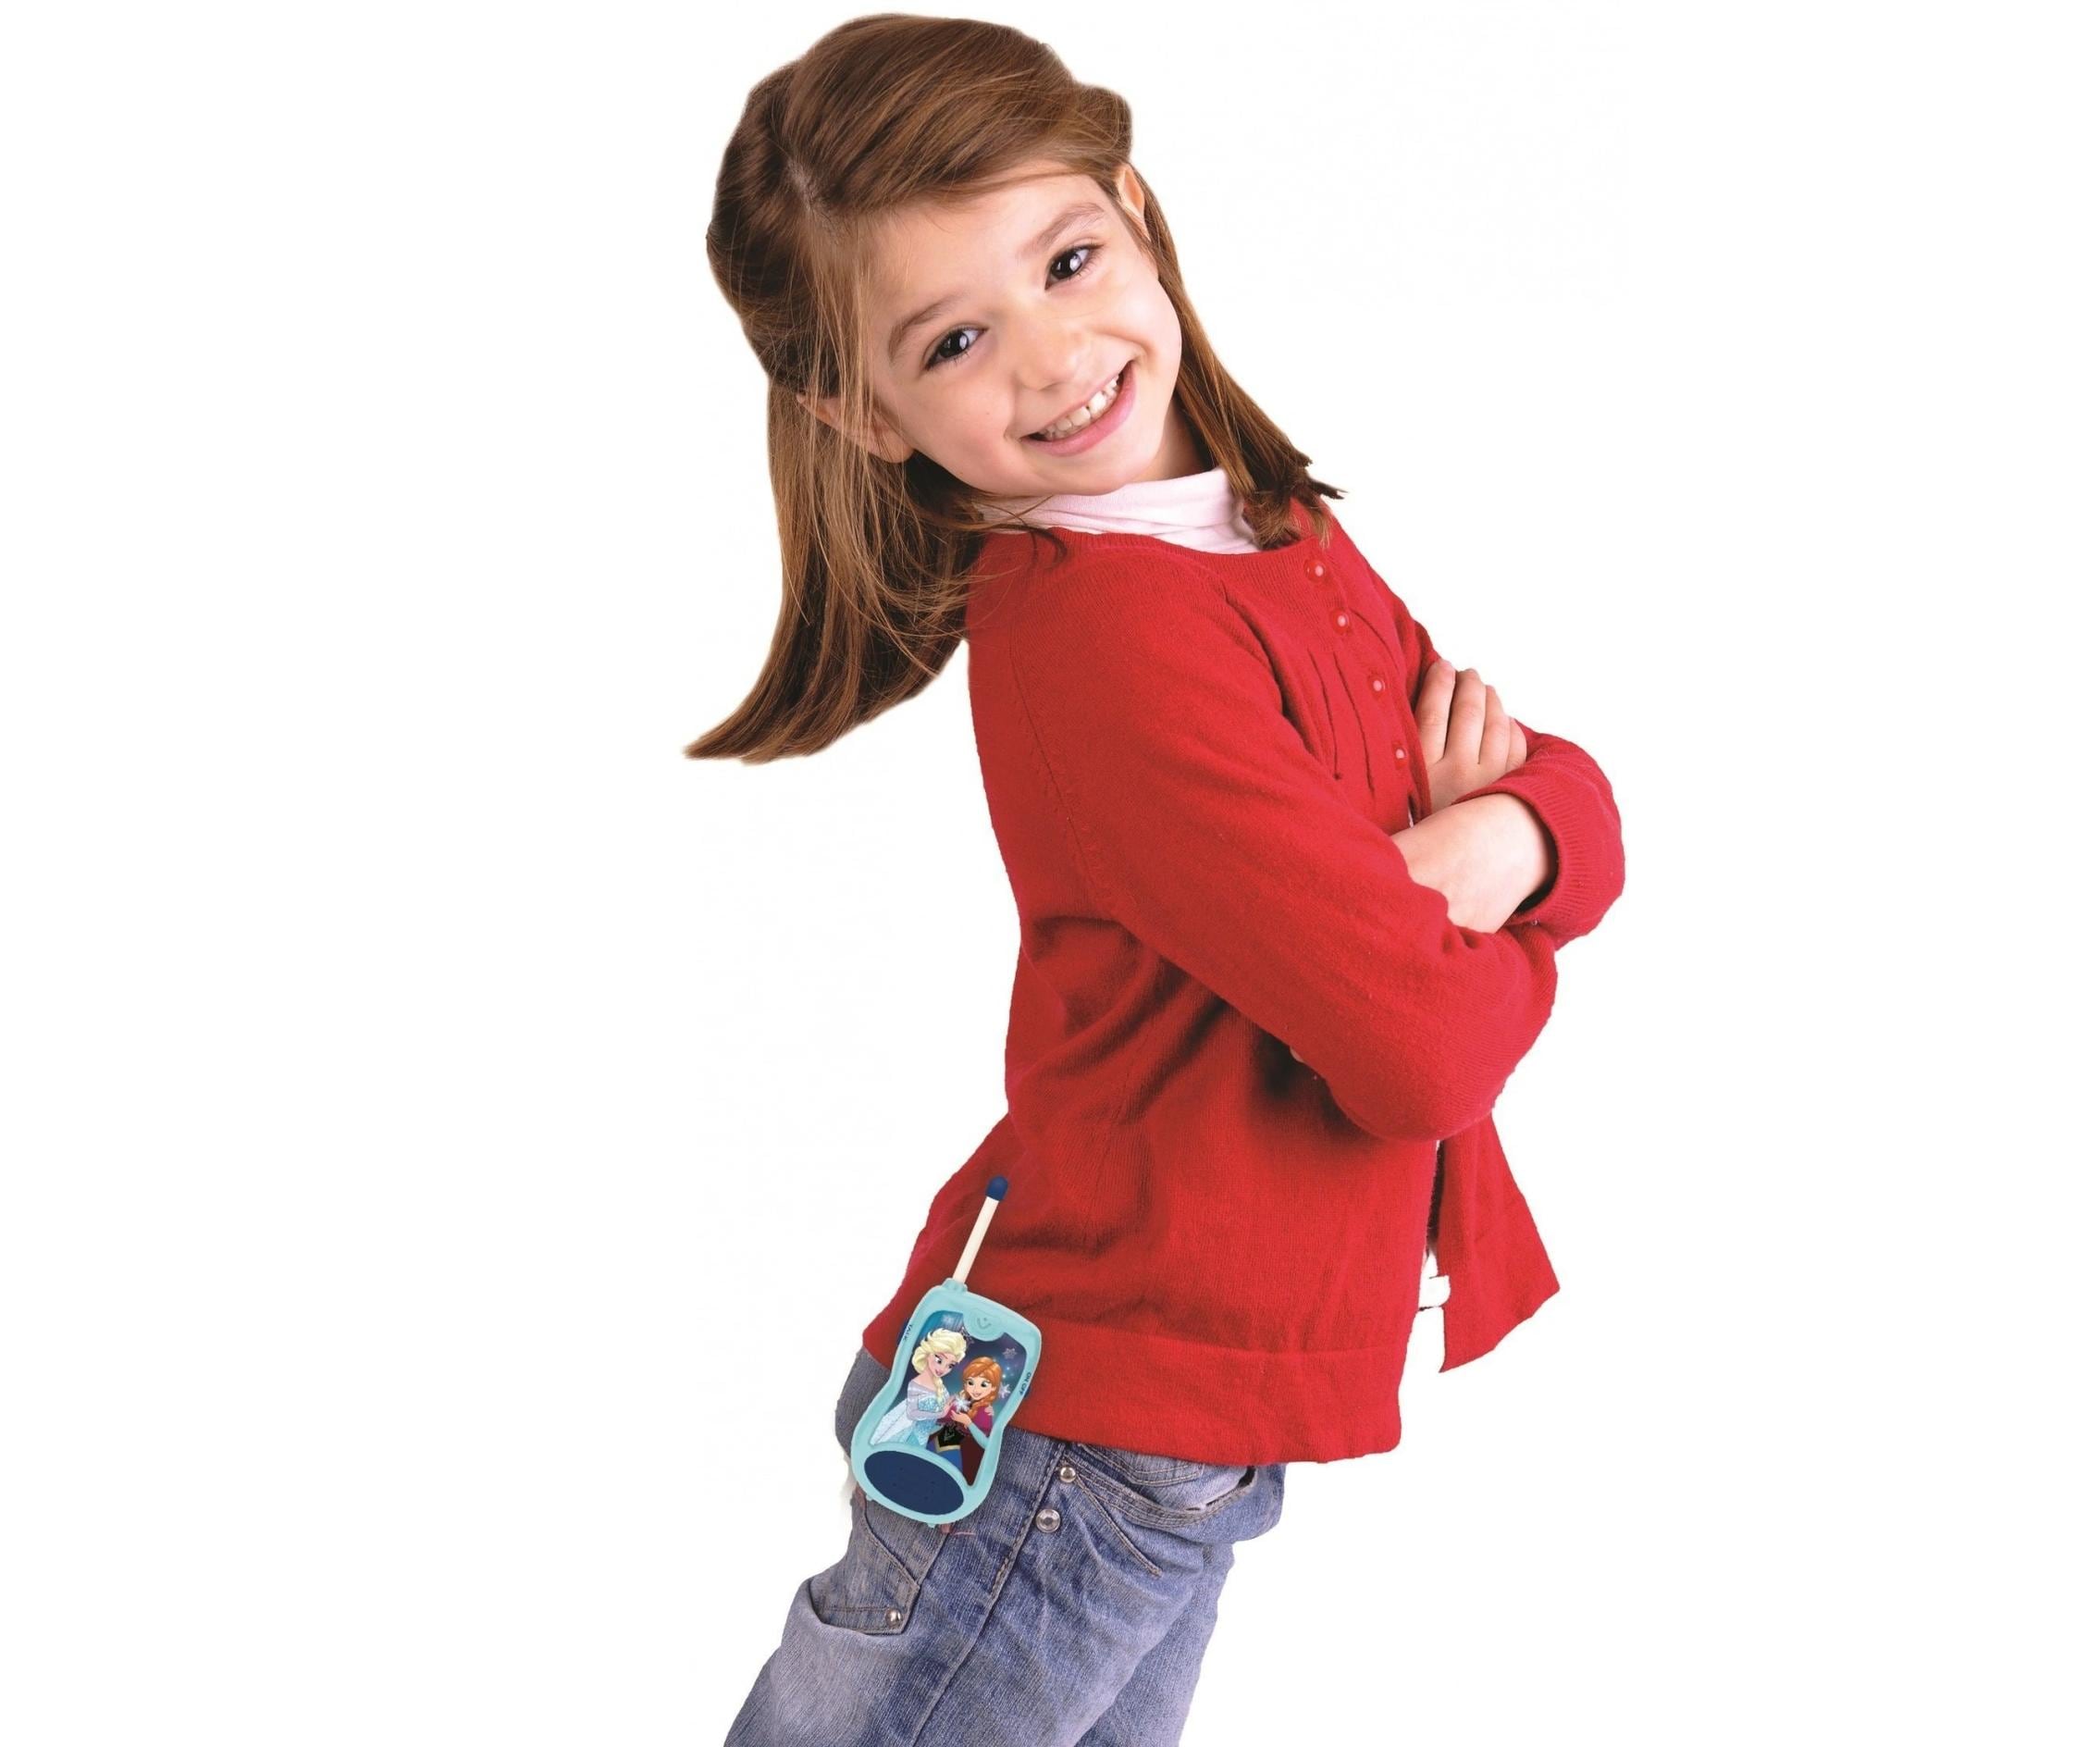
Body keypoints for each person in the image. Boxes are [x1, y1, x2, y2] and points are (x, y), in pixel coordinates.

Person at [691, 17, 1626, 1745]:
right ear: (860, 410)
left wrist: (1504, 843)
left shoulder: (1265, 530)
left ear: (1133, 206)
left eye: (1066, 261)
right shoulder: (1109, 633)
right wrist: (1478, 911)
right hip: (1076, 1428)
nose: (1055, 359)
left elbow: (1547, 782)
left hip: (1162, 1425)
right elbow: (1421, 1048)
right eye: (957, 339)